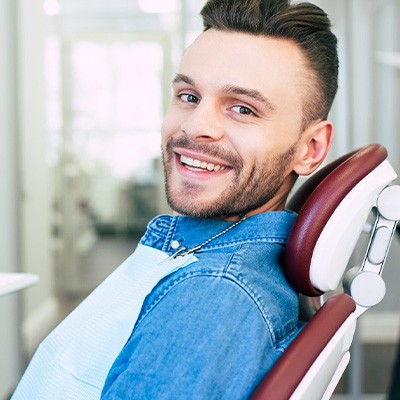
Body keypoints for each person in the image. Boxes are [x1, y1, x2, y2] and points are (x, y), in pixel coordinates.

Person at [12, 0, 338, 399]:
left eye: (242, 108)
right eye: (188, 96)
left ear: (310, 149)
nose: (196, 126)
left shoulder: (212, 297)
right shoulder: (201, 256)